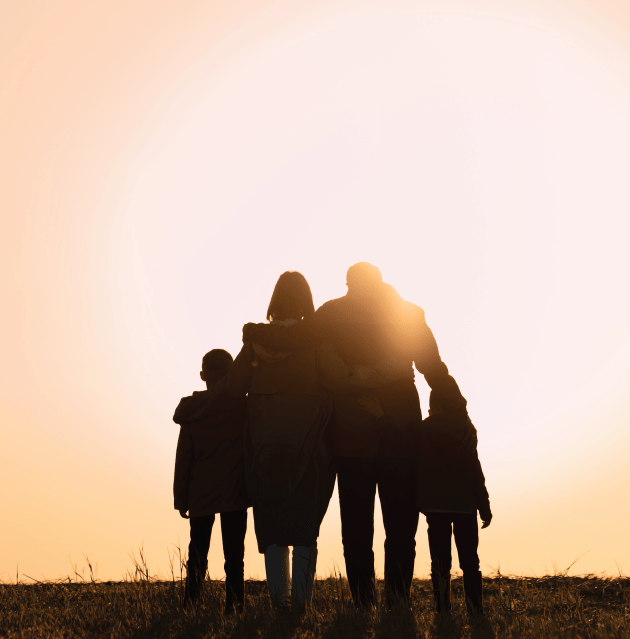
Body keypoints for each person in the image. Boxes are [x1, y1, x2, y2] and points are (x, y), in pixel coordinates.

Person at [242, 262, 467, 609]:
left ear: (349, 283)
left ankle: (364, 602)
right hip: (400, 433)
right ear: (380, 282)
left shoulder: (334, 312)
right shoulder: (408, 314)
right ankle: (396, 599)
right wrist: (458, 412)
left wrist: (257, 332)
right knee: (400, 531)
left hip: (352, 436)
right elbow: (434, 369)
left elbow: (293, 337)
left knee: (357, 532)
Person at [219, 271, 336, 610]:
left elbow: (231, 389)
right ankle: (300, 603)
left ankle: (279, 603)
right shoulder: (318, 342)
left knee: (272, 529)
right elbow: (335, 381)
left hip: (265, 447)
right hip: (309, 446)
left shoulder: (256, 343)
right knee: (304, 528)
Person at [359, 388, 493, 638]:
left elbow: (398, 439)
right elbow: (476, 472)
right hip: (465, 507)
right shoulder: (466, 432)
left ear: (433, 407)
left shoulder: (423, 430)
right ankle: (476, 611)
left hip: (436, 508)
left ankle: (443, 610)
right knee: (470, 562)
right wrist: (484, 506)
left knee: (440, 563)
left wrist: (379, 416)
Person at [173, 349, 251, 614]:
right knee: (234, 556)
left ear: (202, 375)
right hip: (235, 489)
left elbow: (184, 457)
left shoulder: (191, 411)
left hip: (201, 491)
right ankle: (235, 606)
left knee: (197, 554)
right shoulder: (243, 406)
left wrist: (180, 497)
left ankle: (191, 605)